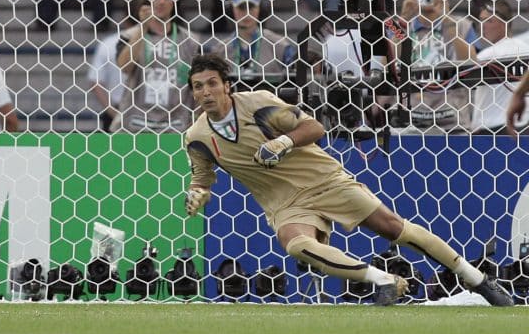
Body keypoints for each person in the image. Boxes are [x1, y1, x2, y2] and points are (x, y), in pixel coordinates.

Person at [184, 52, 513, 306]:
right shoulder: (197, 137)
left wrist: (283, 141)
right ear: (194, 93)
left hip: (324, 180)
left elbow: (314, 127)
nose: (206, 91)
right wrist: (198, 193)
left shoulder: (259, 104)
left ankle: (478, 279)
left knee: (393, 228)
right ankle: (384, 280)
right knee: (297, 245)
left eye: (212, 83)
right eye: (199, 86)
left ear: (227, 85)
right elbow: (202, 178)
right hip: (285, 204)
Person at [394, 0, 477, 132]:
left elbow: (472, 65)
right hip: (411, 120)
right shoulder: (399, 26)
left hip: (453, 121)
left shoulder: (462, 25)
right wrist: (404, 20)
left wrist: (447, 21)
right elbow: (387, 63)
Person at [115, 0, 202, 133]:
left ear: (175, 1)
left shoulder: (191, 41)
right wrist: (143, 27)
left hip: (176, 125)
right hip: (136, 124)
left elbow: (199, 83)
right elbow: (125, 67)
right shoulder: (129, 35)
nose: (161, 2)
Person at [206, 0, 296, 89]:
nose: (247, 13)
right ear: (230, 10)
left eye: (251, 6)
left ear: (261, 8)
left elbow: (295, 74)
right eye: (241, 7)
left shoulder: (279, 45)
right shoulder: (220, 50)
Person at [471, 0, 529, 133]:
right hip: (522, 124)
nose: (482, 26)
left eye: (489, 21)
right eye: (481, 20)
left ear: (505, 23)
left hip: (489, 127)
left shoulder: (487, 55)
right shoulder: (526, 49)